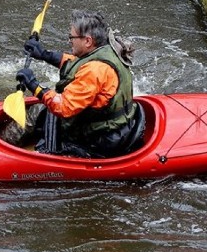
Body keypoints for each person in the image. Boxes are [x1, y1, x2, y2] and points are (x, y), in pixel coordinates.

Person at [9, 9, 142, 158]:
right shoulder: (105, 49)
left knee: (38, 111)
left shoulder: (95, 70)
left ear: (87, 41)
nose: (69, 40)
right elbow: (76, 64)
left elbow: (63, 107)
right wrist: (44, 55)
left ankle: (5, 148)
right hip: (116, 127)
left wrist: (34, 86)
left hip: (99, 139)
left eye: (71, 37)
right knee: (40, 110)